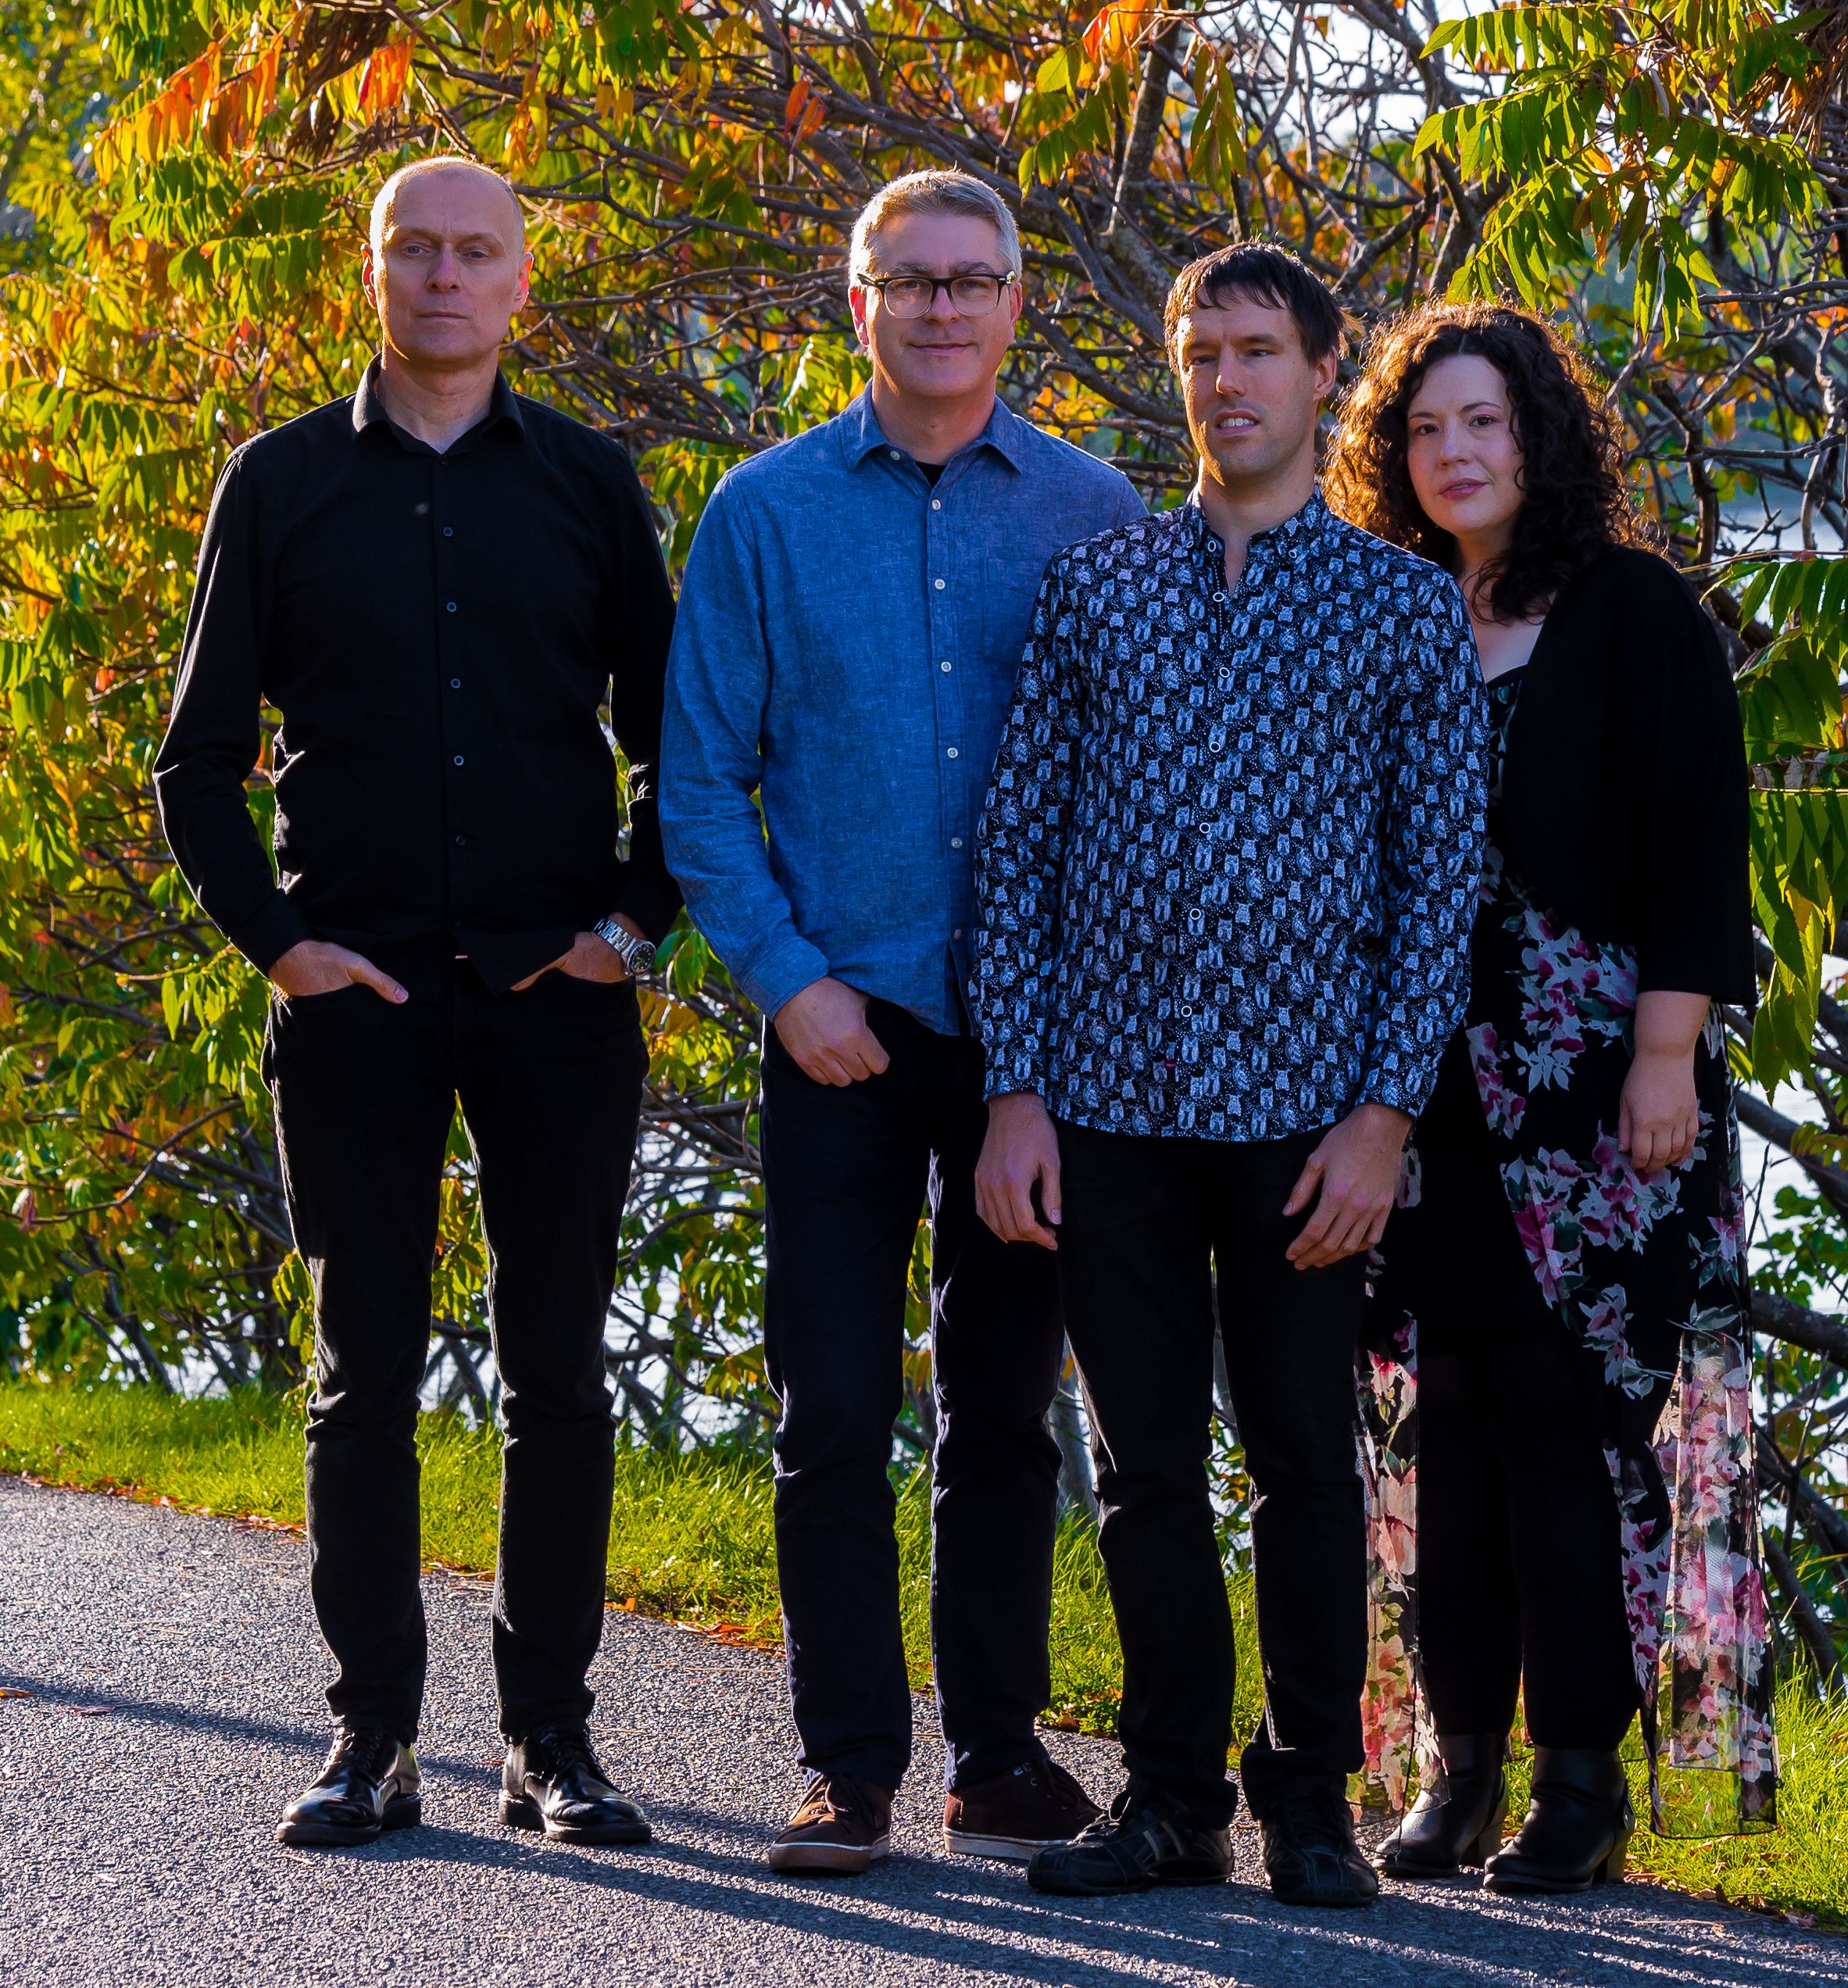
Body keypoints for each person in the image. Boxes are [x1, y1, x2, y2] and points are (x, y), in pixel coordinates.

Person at [155, 155, 674, 1852]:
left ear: (524, 280)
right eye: (413, 250)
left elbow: (689, 742)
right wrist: (280, 945)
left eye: (476, 252)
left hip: (556, 995)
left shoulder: (591, 488)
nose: (445, 276)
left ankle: (551, 1743)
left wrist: (627, 924)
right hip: (356, 992)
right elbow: (198, 760)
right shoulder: (283, 482)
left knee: (558, 1378)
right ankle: (371, 1734)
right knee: (358, 1370)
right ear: (368, 272)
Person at [970, 244, 1485, 1910]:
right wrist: (1016, 1093)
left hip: (1304, 1123)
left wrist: (1384, 1114)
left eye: (1258, 350)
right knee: (1138, 1473)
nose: (1227, 380)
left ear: (1321, 373)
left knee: (1302, 1472)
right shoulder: (1099, 586)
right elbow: (1018, 861)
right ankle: (1171, 1795)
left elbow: (1438, 883)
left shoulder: (1400, 607)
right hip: (1107, 1109)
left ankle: (1310, 1807)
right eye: (1200, 352)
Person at [660, 170, 1146, 1874]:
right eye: (909, 282)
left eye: (973, 281)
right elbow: (699, 786)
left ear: (1019, 305)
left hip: (1035, 1050)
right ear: (853, 302)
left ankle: (996, 1756)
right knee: (831, 1410)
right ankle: (847, 1764)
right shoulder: (765, 514)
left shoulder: (1100, 512)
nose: (942, 309)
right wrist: (785, 980)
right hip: (839, 1031)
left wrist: (1056, 1046)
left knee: (1005, 1409)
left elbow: (1138, 792)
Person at [1324, 300, 1755, 1895]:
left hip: (1598, 1101)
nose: (1452, 452)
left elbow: (1702, 849)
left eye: (1482, 423)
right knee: (1447, 1446)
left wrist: (1663, 1054)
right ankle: (1457, 1774)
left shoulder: (1634, 613)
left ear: (1540, 438)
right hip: (1415, 1100)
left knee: (1575, 1440)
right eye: (1424, 429)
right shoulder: (1387, 614)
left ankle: (1580, 1780)